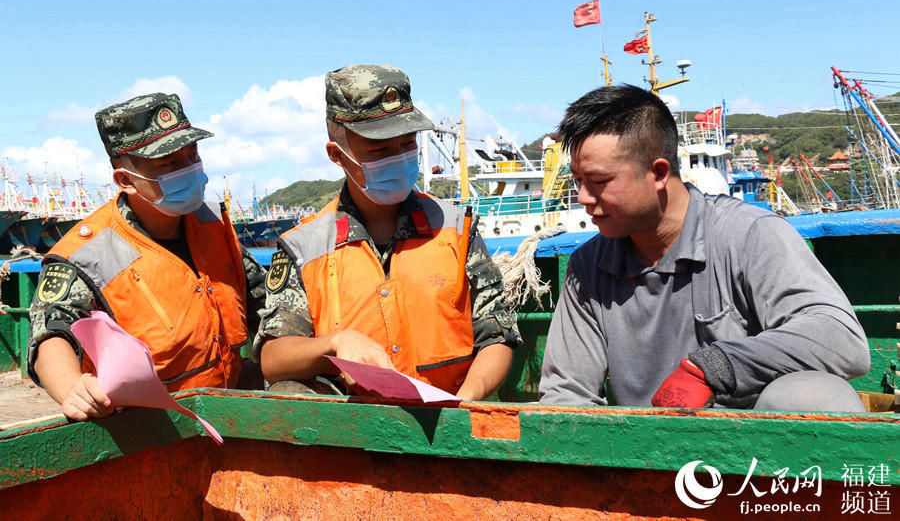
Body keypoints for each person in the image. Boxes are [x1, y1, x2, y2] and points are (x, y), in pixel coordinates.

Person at [539, 84, 870, 411]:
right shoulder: (587, 265)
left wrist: (716, 365)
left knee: (813, 396)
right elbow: (567, 391)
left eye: (598, 182)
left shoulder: (749, 234)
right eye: (579, 181)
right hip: (645, 457)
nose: (583, 197)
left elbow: (841, 339)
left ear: (657, 173)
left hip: (753, 455)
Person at [255, 65, 521, 400]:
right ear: (338, 155)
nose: (398, 158)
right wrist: (335, 342)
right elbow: (273, 358)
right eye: (379, 150)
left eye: (408, 143)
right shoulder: (304, 246)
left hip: (454, 423)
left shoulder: (456, 227)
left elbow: (498, 335)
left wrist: (468, 399)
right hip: (356, 436)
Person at [28, 93, 267, 421]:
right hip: (151, 430)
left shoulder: (212, 224)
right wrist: (71, 385)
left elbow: (262, 298)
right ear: (125, 180)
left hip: (229, 412)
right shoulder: (87, 254)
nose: (189, 170)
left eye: (192, 155)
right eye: (169, 163)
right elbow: (52, 331)